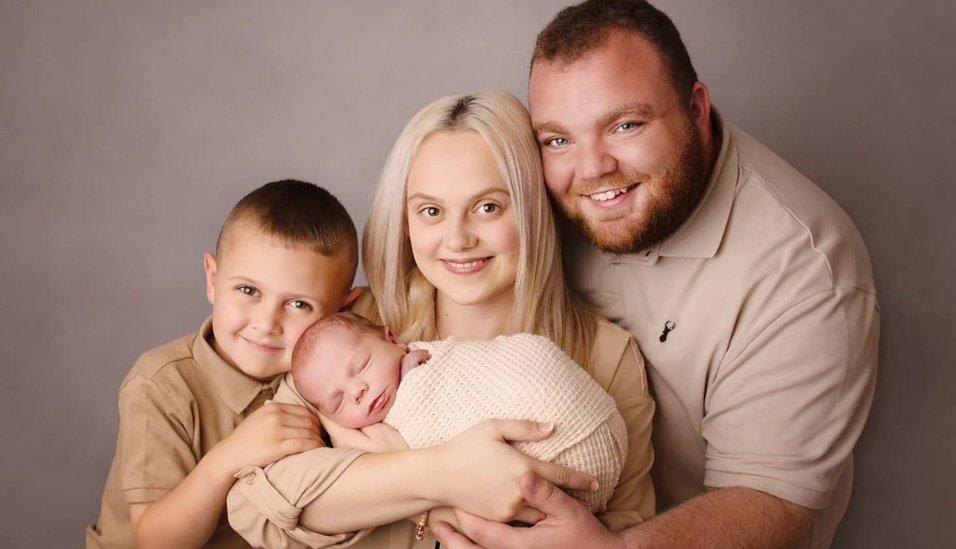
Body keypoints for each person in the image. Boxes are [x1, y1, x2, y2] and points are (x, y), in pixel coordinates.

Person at [435, 1, 880, 548]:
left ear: (695, 108)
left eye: (625, 125)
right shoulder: (540, 194)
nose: (593, 169)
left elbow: (774, 506)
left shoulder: (805, 269)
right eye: (558, 139)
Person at [225, 90, 656, 548]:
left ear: (533, 209)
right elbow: (255, 506)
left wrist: (382, 476)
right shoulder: (356, 329)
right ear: (406, 222)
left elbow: (627, 532)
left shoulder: (607, 354)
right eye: (431, 211)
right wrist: (442, 477)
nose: (457, 239)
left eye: (488, 207)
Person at [86, 179, 362, 547]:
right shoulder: (160, 384)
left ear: (342, 309)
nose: (266, 324)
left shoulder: (330, 374)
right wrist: (228, 458)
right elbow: (156, 541)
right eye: (248, 291)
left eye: (299, 305)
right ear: (212, 278)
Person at [285, 311, 629, 514]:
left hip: (576, 429)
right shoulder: (362, 437)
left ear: (392, 338)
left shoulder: (426, 361)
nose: (357, 392)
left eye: (360, 366)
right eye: (338, 402)